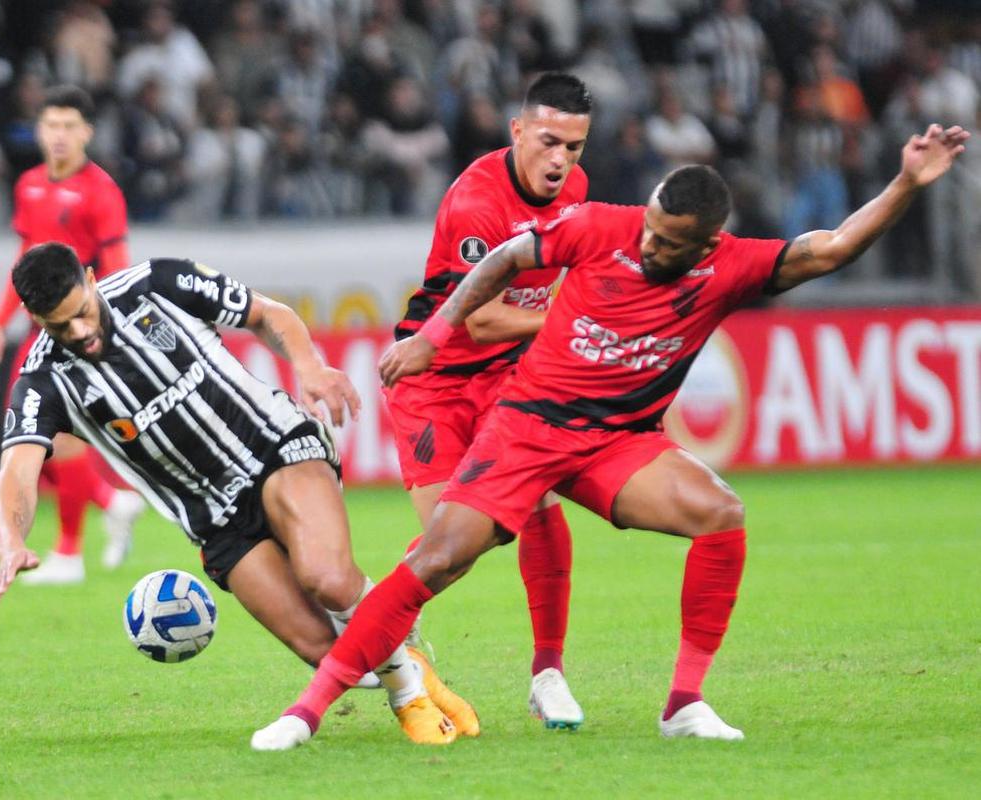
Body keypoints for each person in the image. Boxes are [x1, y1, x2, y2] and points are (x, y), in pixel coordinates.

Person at [252, 123, 969, 749]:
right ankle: (307, 712)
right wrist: (435, 336)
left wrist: (906, 181)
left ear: (707, 244)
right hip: (527, 427)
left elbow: (832, 247)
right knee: (437, 558)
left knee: (720, 513)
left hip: (618, 442)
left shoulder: (730, 267)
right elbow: (502, 260)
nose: (648, 243)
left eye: (667, 242)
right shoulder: (600, 224)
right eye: (650, 226)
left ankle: (684, 703)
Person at [0, 243, 479, 746]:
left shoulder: (157, 284)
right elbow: (17, 471)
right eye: (60, 326)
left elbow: (269, 315)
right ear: (32, 316)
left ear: (91, 280)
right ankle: (405, 653)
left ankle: (408, 696)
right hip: (215, 518)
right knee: (324, 648)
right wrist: (11, 538)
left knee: (327, 579)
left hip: (276, 447)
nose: (81, 333)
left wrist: (308, 368)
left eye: (82, 314)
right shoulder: (42, 381)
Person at [387, 71, 591, 729]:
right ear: (518, 131)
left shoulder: (577, 194)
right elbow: (482, 319)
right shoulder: (476, 202)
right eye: (548, 141)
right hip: (434, 378)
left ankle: (548, 674)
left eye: (574, 147)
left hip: (507, 376)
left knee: (537, 502)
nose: (559, 160)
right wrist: (573, 319)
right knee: (451, 545)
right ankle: (380, 638)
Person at [0, 85, 144, 583]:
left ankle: (70, 551)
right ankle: (110, 503)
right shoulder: (29, 185)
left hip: (77, 332)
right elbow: (23, 264)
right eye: (52, 125)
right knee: (33, 441)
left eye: (70, 126)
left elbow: (116, 268)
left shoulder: (101, 191)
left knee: (49, 439)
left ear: (87, 132)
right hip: (36, 331)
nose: (60, 136)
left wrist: (109, 331)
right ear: (40, 130)